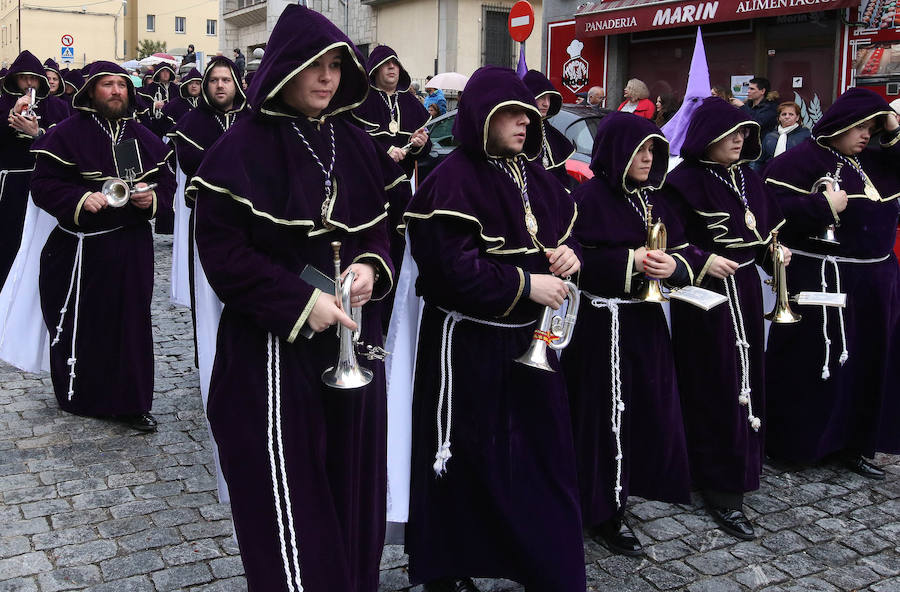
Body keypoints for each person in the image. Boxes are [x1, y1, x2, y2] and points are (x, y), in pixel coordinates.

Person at [192, 6, 400, 590]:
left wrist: (367, 268)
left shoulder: (355, 144)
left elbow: (380, 231)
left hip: (353, 344)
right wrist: (305, 303)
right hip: (271, 355)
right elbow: (224, 255)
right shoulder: (239, 149)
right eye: (316, 65)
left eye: (336, 66)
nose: (328, 78)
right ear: (286, 67)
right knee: (290, 503)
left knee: (351, 488)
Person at [402, 65, 586, 592]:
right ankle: (450, 567)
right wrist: (525, 285)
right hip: (469, 345)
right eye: (511, 114)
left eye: (528, 114)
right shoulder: (450, 180)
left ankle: (545, 565)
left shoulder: (535, 176)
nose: (524, 124)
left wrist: (568, 258)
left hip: (533, 342)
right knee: (465, 458)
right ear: (482, 117)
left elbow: (558, 239)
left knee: (540, 457)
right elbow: (446, 270)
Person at [562, 112, 692, 557]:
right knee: (602, 416)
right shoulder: (586, 198)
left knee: (640, 410)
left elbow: (682, 249)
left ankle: (623, 490)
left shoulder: (653, 198)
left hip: (646, 322)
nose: (648, 157)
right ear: (617, 151)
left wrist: (672, 266)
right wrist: (628, 262)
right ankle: (601, 508)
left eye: (653, 149)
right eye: (640, 149)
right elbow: (573, 261)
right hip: (601, 325)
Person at [659, 96, 788, 540]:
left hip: (746, 290)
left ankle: (742, 463)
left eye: (744, 134)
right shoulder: (682, 183)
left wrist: (775, 252)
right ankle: (717, 481)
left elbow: (765, 230)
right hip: (705, 298)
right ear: (706, 137)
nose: (739, 140)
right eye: (730, 133)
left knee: (748, 376)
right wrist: (701, 260)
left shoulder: (750, 179)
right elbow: (668, 242)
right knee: (714, 381)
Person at [29, 61, 175, 431]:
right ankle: (79, 395)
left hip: (129, 247)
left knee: (130, 326)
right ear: (91, 92)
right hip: (80, 249)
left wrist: (152, 201)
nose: (116, 92)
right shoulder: (66, 134)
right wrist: (80, 199)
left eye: (121, 85)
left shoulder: (143, 137)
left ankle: (131, 403)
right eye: (107, 85)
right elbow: (44, 185)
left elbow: (168, 186)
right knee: (82, 323)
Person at [762, 87, 900, 478]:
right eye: (860, 126)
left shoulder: (877, 159)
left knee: (866, 363)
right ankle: (798, 444)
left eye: (872, 127)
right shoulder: (799, 162)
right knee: (816, 362)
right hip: (822, 274)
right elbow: (774, 213)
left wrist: (891, 124)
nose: (865, 134)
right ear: (839, 123)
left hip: (877, 279)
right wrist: (821, 207)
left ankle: (854, 444)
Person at [1, 50, 70, 286]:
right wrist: (10, 117)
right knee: (10, 239)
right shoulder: (2, 103)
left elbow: (68, 143)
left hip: (47, 183)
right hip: (11, 184)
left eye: (34, 78)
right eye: (23, 78)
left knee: (43, 241)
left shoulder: (58, 107)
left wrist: (37, 133)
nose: (29, 83)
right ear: (14, 79)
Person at [522, 69, 575, 187]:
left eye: (549, 98)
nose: (546, 103)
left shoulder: (552, 134)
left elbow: (562, 178)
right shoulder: (519, 133)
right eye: (541, 97)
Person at [757, 101, 810, 169]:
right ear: (779, 117)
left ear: (797, 117)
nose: (787, 117)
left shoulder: (805, 135)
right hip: (770, 175)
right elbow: (759, 161)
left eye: (791, 114)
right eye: (784, 114)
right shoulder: (769, 137)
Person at [138, 63, 177, 138]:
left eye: (167, 71)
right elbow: (142, 105)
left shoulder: (176, 88)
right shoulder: (150, 88)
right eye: (163, 71)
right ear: (158, 73)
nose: (165, 74)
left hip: (172, 125)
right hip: (156, 126)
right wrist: (154, 105)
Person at [162, 67, 202, 134]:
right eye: (190, 83)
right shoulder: (175, 103)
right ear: (186, 85)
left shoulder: (207, 103)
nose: (193, 86)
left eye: (197, 83)